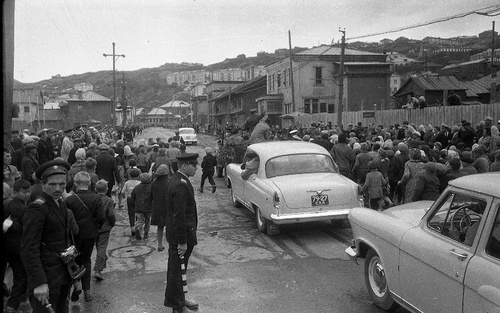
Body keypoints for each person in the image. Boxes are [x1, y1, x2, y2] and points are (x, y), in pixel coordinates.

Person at [21, 159, 74, 313]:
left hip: (63, 275)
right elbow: (29, 249)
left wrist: (73, 272)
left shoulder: (60, 203)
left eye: (62, 184)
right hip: (46, 279)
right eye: (52, 184)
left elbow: (65, 240)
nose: (58, 188)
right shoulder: (37, 209)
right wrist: (39, 282)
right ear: (43, 185)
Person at [164, 153, 200, 313]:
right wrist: (182, 241)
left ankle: (180, 300)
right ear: (185, 165)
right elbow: (179, 215)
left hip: (178, 234)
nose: (196, 167)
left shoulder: (178, 180)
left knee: (179, 269)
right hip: (181, 236)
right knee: (177, 271)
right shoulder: (180, 184)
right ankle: (178, 306)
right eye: (194, 165)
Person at [65, 171, 105, 302]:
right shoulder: (96, 198)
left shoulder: (70, 200)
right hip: (90, 234)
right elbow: (101, 217)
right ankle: (87, 291)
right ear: (89, 183)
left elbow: (66, 219)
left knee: (74, 261)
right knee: (86, 260)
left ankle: (76, 285)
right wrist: (96, 227)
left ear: (76, 184)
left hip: (74, 236)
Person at [3, 180, 31, 312]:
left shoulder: (7, 204)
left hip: (7, 246)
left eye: (28, 191)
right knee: (21, 276)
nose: (27, 194)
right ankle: (12, 304)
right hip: (19, 247)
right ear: (15, 192)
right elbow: (24, 228)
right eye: (24, 192)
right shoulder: (24, 208)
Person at [93, 180, 116, 281]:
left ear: (95, 189)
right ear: (107, 189)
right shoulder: (109, 200)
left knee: (98, 245)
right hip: (105, 227)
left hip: (94, 227)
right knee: (102, 247)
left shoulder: (93, 199)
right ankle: (98, 270)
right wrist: (112, 223)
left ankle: (102, 259)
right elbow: (111, 214)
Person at [151, 164, 170, 251]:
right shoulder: (170, 181)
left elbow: (151, 195)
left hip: (158, 206)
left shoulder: (154, 182)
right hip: (168, 205)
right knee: (171, 225)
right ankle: (171, 242)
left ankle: (159, 244)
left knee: (160, 226)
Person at [131, 173, 153, 240]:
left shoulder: (137, 187)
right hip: (148, 207)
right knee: (147, 220)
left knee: (140, 220)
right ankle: (146, 233)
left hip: (139, 206)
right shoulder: (151, 187)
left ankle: (138, 228)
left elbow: (133, 195)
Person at [121, 168, 141, 237]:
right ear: (138, 176)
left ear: (130, 175)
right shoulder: (139, 183)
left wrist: (123, 196)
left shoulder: (127, 182)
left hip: (130, 199)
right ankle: (137, 226)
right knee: (138, 213)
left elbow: (123, 192)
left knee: (131, 213)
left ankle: (132, 227)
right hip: (138, 199)